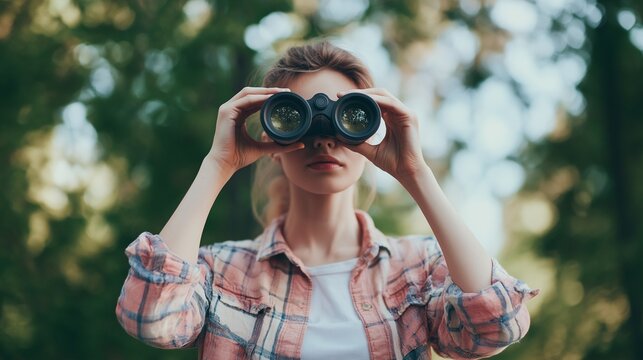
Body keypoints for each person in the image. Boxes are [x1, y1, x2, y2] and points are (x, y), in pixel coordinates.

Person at [115, 41, 540, 359]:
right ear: (272, 134)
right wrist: (218, 164)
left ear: (372, 128)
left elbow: (496, 327)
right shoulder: (222, 271)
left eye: (347, 117)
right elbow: (153, 319)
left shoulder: (417, 268)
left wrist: (416, 173)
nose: (323, 138)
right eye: (295, 118)